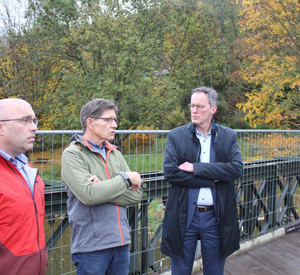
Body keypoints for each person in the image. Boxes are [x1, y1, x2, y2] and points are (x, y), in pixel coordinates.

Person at [161, 87, 243, 275]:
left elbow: (236, 168)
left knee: (214, 271)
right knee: (180, 270)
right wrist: (213, 179)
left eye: (200, 106)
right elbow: (171, 173)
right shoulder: (176, 136)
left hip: (216, 217)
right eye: (192, 106)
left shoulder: (228, 136)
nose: (194, 110)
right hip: (184, 216)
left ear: (213, 109)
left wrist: (197, 168)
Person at [61, 98, 143, 275]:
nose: (114, 125)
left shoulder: (115, 153)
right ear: (90, 122)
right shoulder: (73, 154)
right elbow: (89, 196)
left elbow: (137, 196)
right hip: (91, 247)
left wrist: (102, 189)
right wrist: (125, 179)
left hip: (120, 243)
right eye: (108, 120)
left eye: (115, 120)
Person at [0, 98, 48, 275]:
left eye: (34, 120)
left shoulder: (27, 169)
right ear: (1, 127)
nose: (34, 127)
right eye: (25, 120)